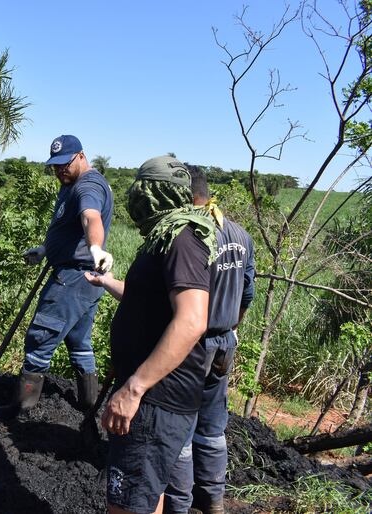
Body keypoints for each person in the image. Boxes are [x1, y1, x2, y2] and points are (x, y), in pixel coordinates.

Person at [96, 156, 218, 514]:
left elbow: (192, 320)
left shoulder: (183, 239)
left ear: (158, 193)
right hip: (152, 400)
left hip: (154, 403)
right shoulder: (166, 236)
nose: (135, 197)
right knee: (145, 498)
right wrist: (105, 281)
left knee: (128, 503)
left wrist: (135, 387)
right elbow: (147, 304)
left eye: (141, 188)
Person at [0, 134, 114, 417]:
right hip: (82, 278)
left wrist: (96, 248)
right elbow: (71, 228)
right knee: (79, 341)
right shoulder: (71, 184)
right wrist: (45, 250)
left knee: (40, 338)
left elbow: (90, 217)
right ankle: (90, 407)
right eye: (55, 165)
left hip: (73, 279)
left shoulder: (88, 185)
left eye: (66, 164)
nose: (60, 170)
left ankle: (20, 411)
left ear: (82, 157)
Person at [164, 165, 255, 514]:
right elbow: (247, 293)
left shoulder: (190, 235)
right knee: (214, 426)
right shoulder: (239, 234)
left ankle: (179, 503)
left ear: (186, 196)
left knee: (181, 428)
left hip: (193, 345)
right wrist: (231, 327)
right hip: (225, 342)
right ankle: (213, 499)